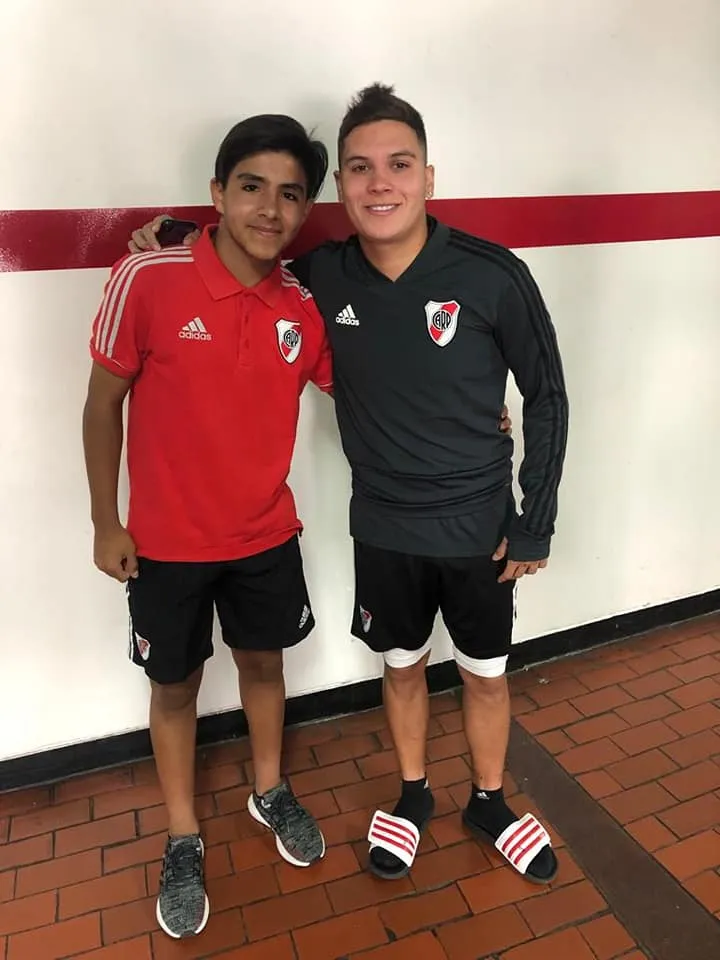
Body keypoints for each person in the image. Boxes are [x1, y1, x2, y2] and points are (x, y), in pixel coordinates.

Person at [128, 83, 568, 888]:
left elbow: (547, 395)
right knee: (401, 669)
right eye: (359, 168)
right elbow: (249, 254)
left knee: (485, 674)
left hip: (479, 526)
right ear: (341, 190)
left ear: (428, 177)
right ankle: (411, 797)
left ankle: (491, 800)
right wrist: (182, 232)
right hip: (386, 527)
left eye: (398, 164)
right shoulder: (321, 276)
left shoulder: (493, 274)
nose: (378, 183)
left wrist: (534, 520)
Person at [82, 115, 335, 940]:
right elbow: (101, 405)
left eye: (291, 194)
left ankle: (271, 791)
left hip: (266, 536)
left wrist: (484, 419)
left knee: (263, 667)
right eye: (253, 187)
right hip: (163, 545)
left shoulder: (303, 304)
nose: (271, 208)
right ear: (218, 194)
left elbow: (374, 385)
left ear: (304, 211)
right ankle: (182, 836)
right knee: (175, 688)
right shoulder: (147, 277)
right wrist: (103, 521)